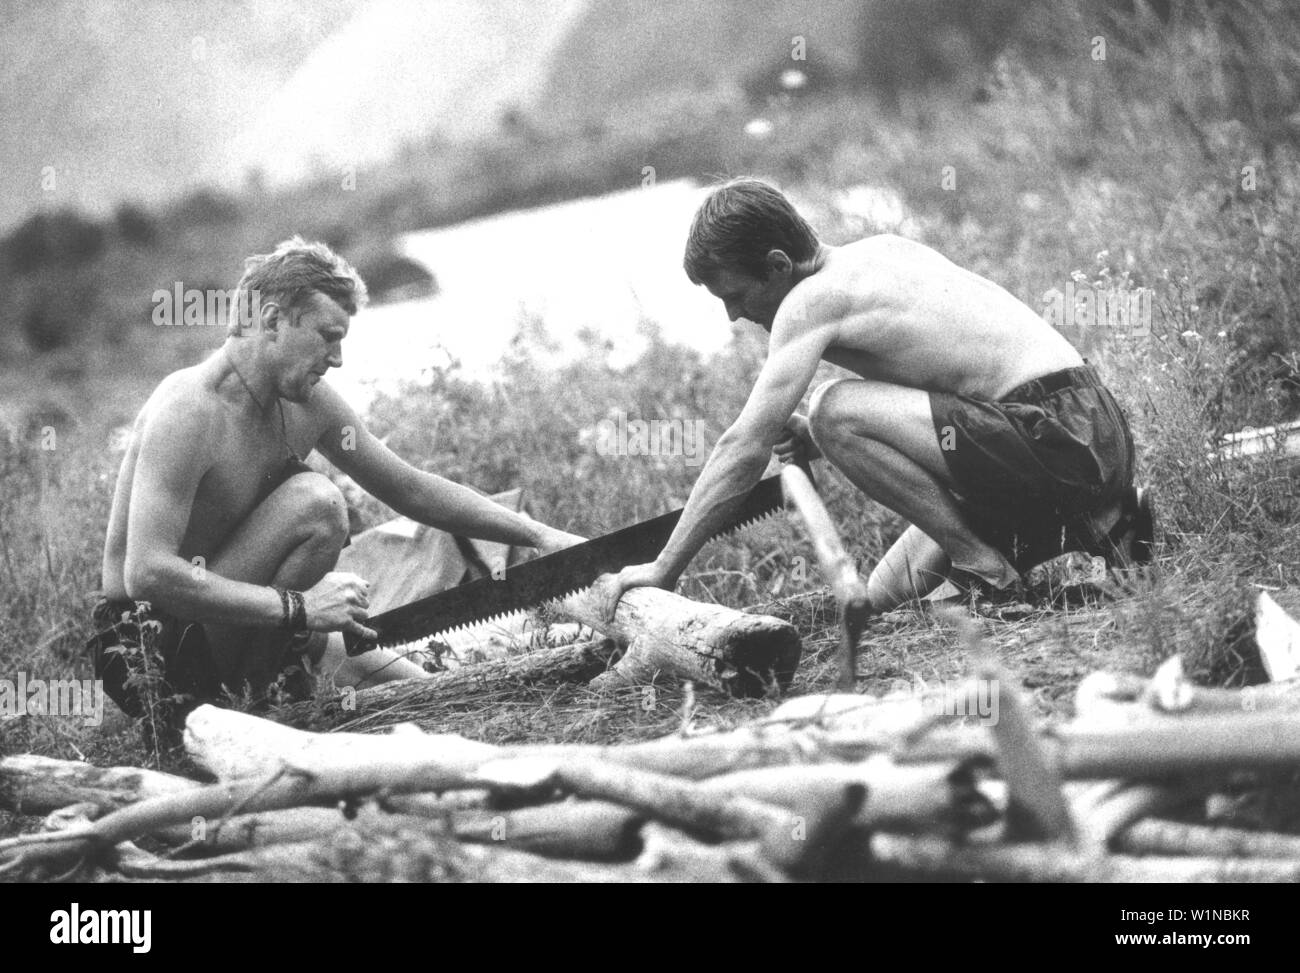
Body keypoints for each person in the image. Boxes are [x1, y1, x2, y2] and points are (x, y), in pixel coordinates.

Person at [598, 178, 1150, 618]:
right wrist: (814, 439)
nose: (735, 315)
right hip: (1091, 427)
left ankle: (985, 570)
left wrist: (664, 566)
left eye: (737, 296)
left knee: (834, 408)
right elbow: (948, 384)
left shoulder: (811, 302)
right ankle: (1105, 522)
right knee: (891, 591)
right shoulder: (883, 251)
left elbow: (743, 445)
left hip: (1049, 432)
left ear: (777, 265)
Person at [90, 237, 582, 728]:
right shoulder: (189, 409)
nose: (339, 357)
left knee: (444, 697)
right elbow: (146, 575)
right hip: (152, 647)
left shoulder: (308, 405)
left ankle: (270, 689)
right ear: (273, 321)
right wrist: (299, 608)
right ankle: (255, 708)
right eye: (328, 336)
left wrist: (536, 534)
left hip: (244, 627)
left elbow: (409, 490)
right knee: (317, 504)